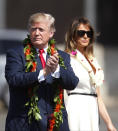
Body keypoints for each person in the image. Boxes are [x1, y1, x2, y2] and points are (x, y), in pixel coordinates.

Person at [5, 12, 79, 131]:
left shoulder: (61, 56)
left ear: (51, 33)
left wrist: (57, 70)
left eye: (41, 29)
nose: (37, 33)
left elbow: (72, 83)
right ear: (29, 31)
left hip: (55, 125)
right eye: (34, 29)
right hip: (25, 124)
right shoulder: (16, 54)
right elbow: (14, 79)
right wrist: (43, 72)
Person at [64, 17, 117, 131]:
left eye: (89, 33)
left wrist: (109, 123)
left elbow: (98, 96)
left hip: (92, 109)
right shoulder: (68, 58)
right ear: (73, 35)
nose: (85, 36)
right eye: (81, 33)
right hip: (76, 108)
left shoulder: (93, 60)